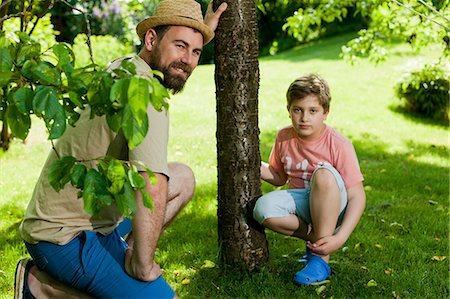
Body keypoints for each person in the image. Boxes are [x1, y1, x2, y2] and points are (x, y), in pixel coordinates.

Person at [14, 0, 227, 298]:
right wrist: (143, 265)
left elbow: (157, 181)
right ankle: (42, 288)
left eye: (195, 51)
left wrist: (201, 32)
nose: (188, 60)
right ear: (151, 39)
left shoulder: (126, 66)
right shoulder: (146, 93)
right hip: (62, 239)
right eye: (180, 46)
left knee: (184, 178)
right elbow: (151, 183)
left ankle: (115, 264)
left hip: (87, 217)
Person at [253, 74, 366, 285]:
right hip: (301, 203)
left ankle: (320, 261)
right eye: (298, 110)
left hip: (332, 203)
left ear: (325, 113)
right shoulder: (284, 137)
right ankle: (315, 238)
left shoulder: (338, 144)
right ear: (289, 110)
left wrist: (340, 237)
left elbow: (357, 196)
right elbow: (278, 176)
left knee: (323, 173)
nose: (304, 118)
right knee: (261, 209)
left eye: (312, 111)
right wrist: (253, 165)